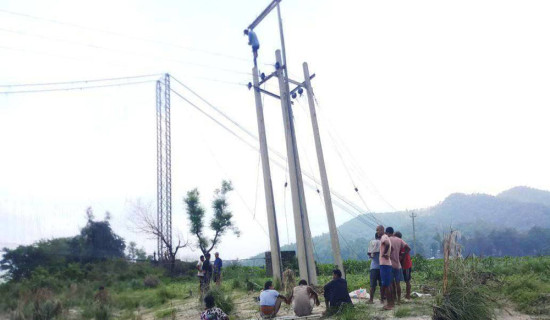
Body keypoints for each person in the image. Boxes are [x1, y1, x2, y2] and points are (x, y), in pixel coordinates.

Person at [387, 227, 410, 305]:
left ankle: (393, 299)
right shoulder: (400, 240)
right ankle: (399, 300)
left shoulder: (387, 240)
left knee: (390, 283)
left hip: (389, 265)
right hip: (398, 265)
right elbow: (408, 248)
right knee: (398, 283)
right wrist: (402, 255)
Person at [379, 225, 394, 310]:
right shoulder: (387, 237)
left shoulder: (383, 237)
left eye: (378, 230)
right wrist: (388, 254)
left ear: (382, 230)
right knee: (389, 284)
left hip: (384, 264)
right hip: (387, 263)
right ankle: (391, 303)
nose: (377, 232)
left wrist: (384, 254)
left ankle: (389, 305)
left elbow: (388, 245)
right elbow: (391, 248)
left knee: (387, 284)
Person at [367, 229, 384, 303]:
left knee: (372, 285)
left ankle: (371, 300)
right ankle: (382, 300)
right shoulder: (384, 243)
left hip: (373, 267)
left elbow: (369, 254)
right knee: (382, 285)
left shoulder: (372, 243)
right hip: (382, 267)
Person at [395, 231, 412, 300]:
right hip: (400, 265)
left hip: (406, 265)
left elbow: (408, 249)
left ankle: (408, 295)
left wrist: (402, 256)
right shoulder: (398, 244)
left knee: (407, 280)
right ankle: (400, 296)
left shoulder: (402, 243)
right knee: (398, 281)